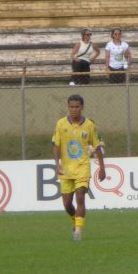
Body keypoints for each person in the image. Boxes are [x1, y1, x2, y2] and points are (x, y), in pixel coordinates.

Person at [51, 94, 106, 241]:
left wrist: (102, 167)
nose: (74, 109)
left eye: (77, 106)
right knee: (67, 204)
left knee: (80, 197)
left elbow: (97, 146)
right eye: (71, 107)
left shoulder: (89, 125)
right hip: (66, 168)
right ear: (68, 107)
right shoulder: (61, 124)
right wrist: (57, 164)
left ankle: (78, 231)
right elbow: (56, 145)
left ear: (82, 107)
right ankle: (76, 222)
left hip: (82, 167)